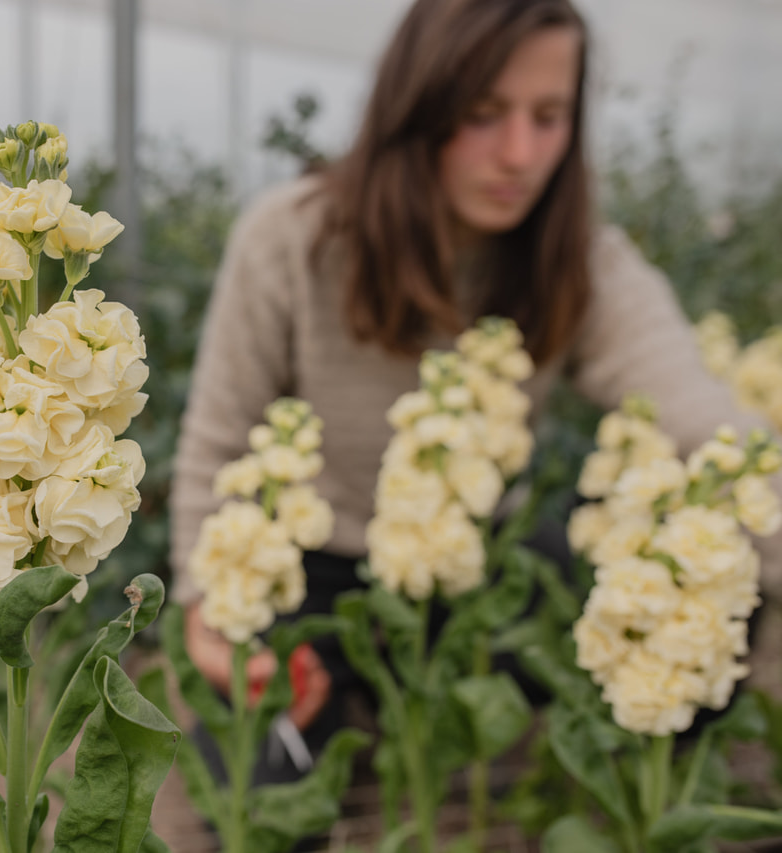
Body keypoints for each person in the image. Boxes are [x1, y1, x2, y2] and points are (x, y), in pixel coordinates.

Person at [168, 0, 782, 782]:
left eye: (549, 116)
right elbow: (219, 442)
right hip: (312, 565)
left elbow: (697, 416)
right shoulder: (292, 237)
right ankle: (363, 706)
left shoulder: (582, 263)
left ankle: (526, 748)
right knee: (261, 799)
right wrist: (207, 614)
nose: (520, 153)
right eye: (484, 114)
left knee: (710, 599)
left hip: (487, 565)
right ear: (417, 106)